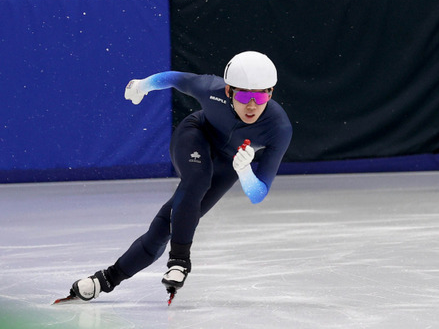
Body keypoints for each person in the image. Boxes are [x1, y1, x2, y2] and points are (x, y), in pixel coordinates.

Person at [64, 51, 293, 303]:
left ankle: (105, 280)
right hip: (196, 135)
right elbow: (174, 78)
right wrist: (142, 85)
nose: (252, 105)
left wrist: (245, 171)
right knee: (198, 178)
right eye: (243, 95)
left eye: (260, 96)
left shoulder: (279, 128)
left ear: (270, 93)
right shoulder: (211, 88)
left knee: (165, 227)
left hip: (230, 164)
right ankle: (180, 261)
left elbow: (258, 194)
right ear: (228, 91)